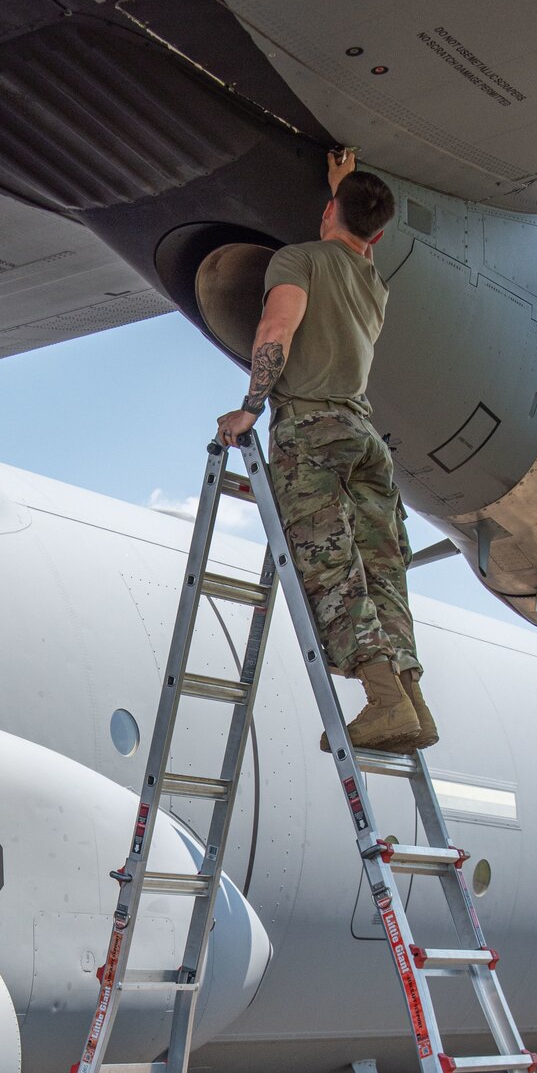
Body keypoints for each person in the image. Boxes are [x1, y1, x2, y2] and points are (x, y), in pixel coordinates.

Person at [215, 149, 436, 753]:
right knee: (383, 572)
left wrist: (250, 407)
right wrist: (348, 189)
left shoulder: (300, 260)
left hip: (312, 434)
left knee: (329, 568)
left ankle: (384, 702)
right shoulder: (373, 282)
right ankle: (412, 701)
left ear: (328, 212)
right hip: (364, 439)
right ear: (378, 235)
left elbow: (275, 331)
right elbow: (362, 243)